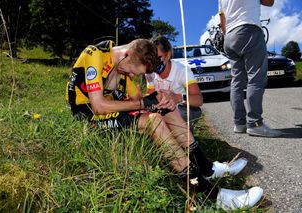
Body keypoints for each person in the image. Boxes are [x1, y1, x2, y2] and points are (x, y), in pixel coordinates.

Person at [66, 39, 263, 210]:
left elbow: (138, 98)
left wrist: (160, 99)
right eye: (134, 71)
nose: (133, 76)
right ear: (127, 55)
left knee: (166, 109)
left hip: (109, 113)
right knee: (153, 120)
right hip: (88, 116)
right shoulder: (95, 54)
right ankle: (207, 194)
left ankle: (205, 168)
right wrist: (145, 103)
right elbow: (99, 106)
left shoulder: (123, 67)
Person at [219, 0, 282, 137]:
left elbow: (222, 19)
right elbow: (269, 2)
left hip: (229, 36)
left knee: (237, 82)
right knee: (256, 77)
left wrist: (227, 34)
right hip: (248, 29)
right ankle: (255, 123)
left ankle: (239, 123)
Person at [145, 35, 202, 131]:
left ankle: (186, 136)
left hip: (182, 108)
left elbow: (199, 100)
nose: (154, 63)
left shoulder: (182, 71)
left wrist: (178, 97)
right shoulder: (150, 73)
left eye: (158, 58)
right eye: (151, 59)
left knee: (178, 115)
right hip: (161, 110)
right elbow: (150, 96)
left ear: (168, 55)